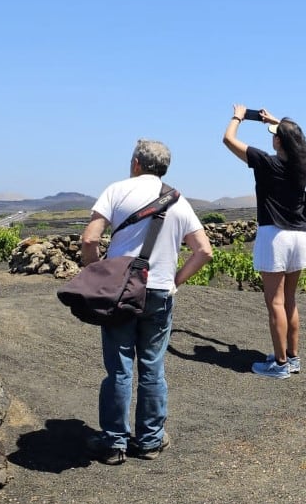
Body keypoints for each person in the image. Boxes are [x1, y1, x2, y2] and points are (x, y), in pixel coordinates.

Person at [81, 139, 213, 465]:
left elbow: (89, 239)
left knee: (119, 368)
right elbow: (204, 251)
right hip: (159, 294)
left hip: (121, 292)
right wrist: (174, 281)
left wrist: (96, 274)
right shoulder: (179, 202)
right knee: (152, 367)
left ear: (137, 163)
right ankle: (151, 441)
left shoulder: (117, 191)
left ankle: (114, 443)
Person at [223, 105, 306, 380]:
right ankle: (293, 358)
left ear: (278, 141)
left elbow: (228, 140)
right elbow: (298, 140)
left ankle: (280, 364)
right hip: (299, 235)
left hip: (275, 235)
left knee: (274, 302)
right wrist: (275, 122)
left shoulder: (266, 162)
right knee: (289, 300)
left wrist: (238, 116)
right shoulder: (303, 164)